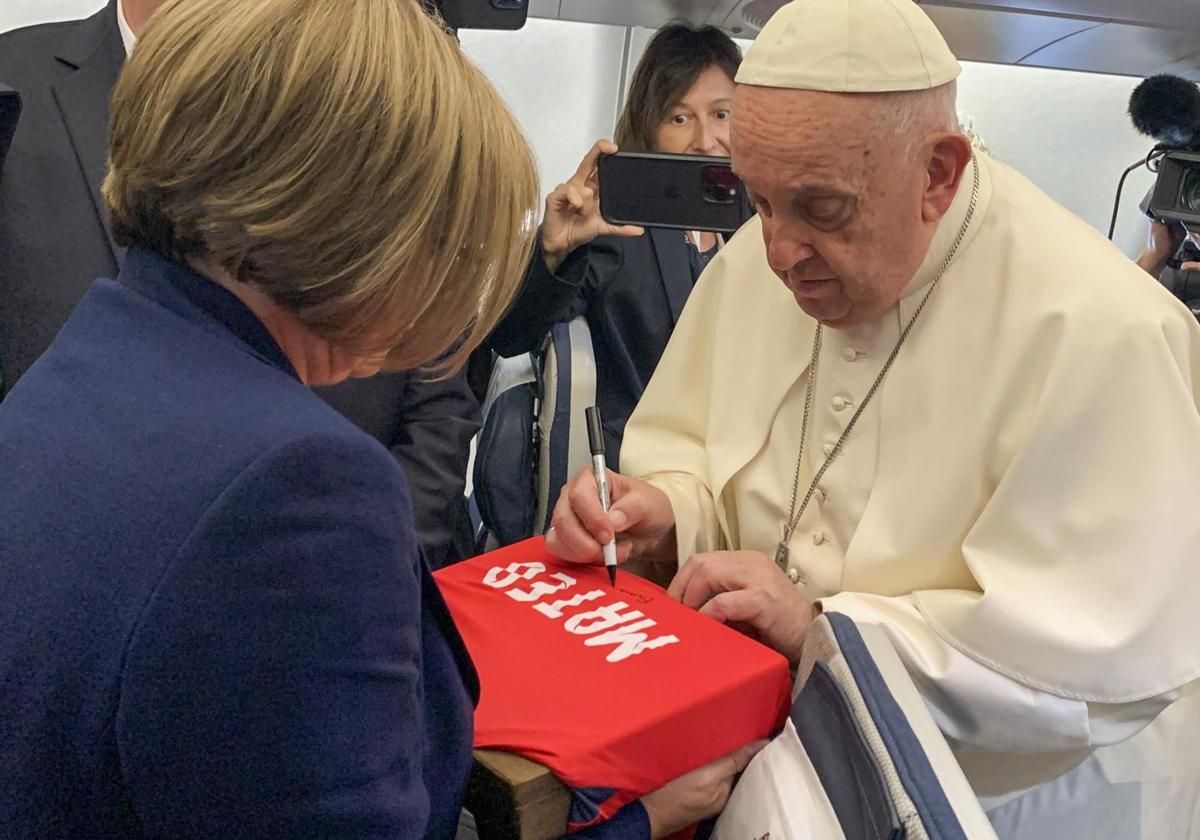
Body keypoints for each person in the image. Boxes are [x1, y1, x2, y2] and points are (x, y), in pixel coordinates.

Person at [0, 0, 756, 836]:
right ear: (359, 222)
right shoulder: (299, 489)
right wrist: (637, 821)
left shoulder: (93, 356)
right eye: (448, 238)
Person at [546, 0, 1200, 836]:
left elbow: (1091, 661)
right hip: (773, 766)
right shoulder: (761, 255)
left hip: (1009, 803)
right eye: (759, 200)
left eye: (822, 209)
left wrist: (824, 627)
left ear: (938, 172)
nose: (778, 252)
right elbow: (704, 452)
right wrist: (666, 508)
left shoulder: (1108, 330)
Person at [0, 0, 480, 569]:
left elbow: (438, 380)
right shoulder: (15, 79)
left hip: (337, 551)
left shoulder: (369, 82)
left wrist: (369, 553)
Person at [485, 24, 742, 466]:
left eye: (722, 114)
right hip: (644, 471)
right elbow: (510, 337)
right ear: (650, 126)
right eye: (679, 118)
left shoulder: (768, 225)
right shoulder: (616, 231)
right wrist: (553, 250)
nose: (705, 140)